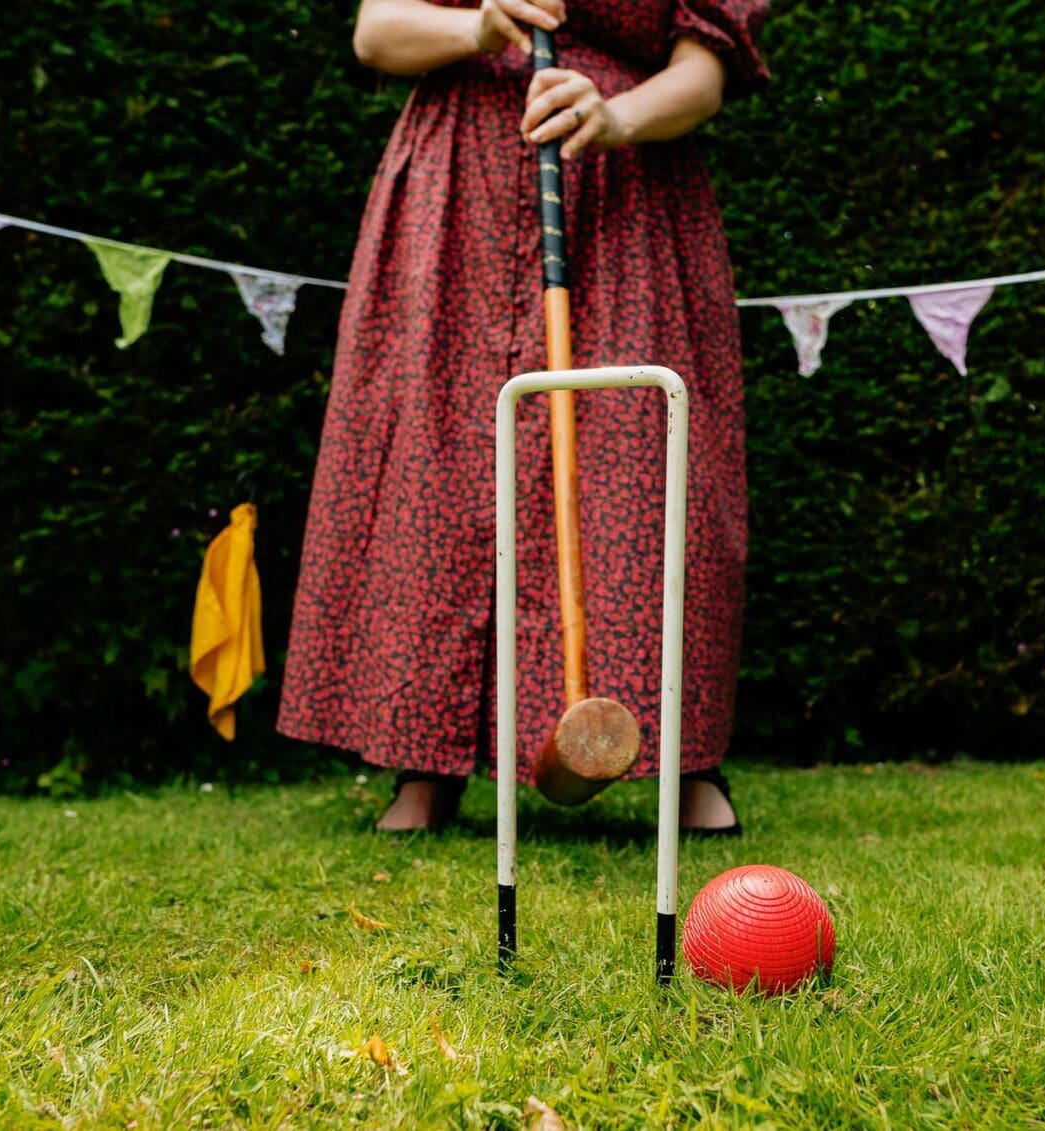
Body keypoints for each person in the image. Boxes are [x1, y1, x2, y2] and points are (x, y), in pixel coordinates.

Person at [278, 0, 769, 832]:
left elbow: (704, 74)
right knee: (441, 455)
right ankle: (422, 762)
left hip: (625, 191)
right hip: (457, 195)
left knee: (637, 467)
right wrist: (476, 28)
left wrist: (616, 116)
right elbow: (375, 32)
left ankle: (680, 759)